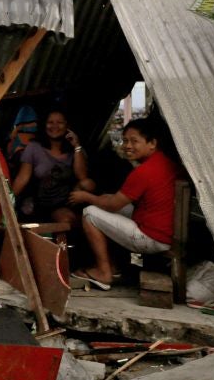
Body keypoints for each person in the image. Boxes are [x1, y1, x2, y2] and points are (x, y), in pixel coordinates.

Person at [70, 118, 183, 290]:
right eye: (125, 140)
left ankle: (104, 273)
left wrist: (86, 196)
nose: (127, 146)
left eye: (134, 141)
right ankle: (114, 267)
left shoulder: (143, 172)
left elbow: (112, 205)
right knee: (113, 206)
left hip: (152, 238)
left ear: (152, 143)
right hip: (165, 231)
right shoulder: (165, 162)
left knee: (90, 213)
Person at [9, 109, 93, 226]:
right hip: (42, 201)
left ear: (67, 126)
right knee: (64, 219)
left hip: (68, 201)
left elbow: (82, 177)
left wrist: (76, 146)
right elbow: (22, 178)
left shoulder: (75, 150)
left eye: (60, 122)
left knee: (88, 183)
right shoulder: (34, 147)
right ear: (44, 125)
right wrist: (7, 202)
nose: (54, 126)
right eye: (50, 122)